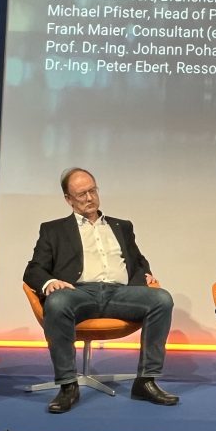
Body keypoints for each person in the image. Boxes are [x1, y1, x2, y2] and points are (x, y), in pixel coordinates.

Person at [23, 168, 178, 412]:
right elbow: (33, 270)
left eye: (92, 191)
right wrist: (48, 282)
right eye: (81, 194)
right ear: (68, 199)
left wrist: (144, 275)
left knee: (162, 299)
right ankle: (68, 385)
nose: (89, 198)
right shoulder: (53, 230)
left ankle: (146, 381)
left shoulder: (122, 226)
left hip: (119, 293)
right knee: (57, 302)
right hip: (78, 293)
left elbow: (138, 260)